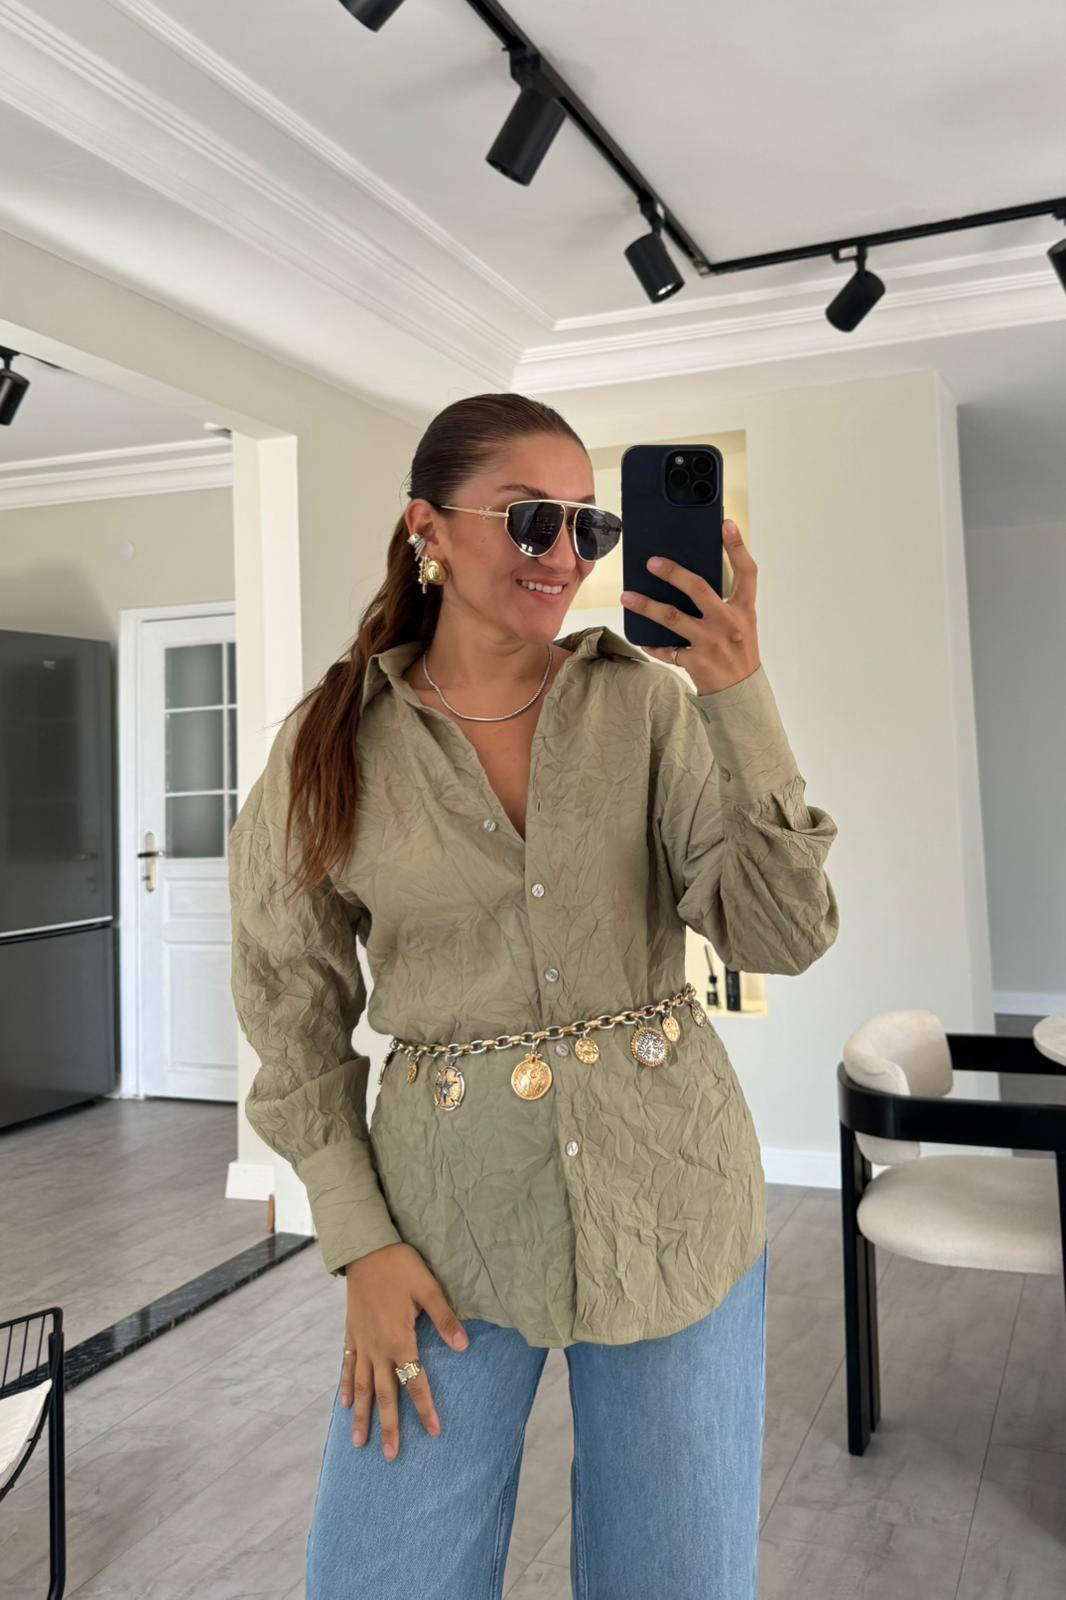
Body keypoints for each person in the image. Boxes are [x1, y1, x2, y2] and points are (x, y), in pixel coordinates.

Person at [227, 392, 840, 1599]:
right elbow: (289, 1015)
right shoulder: (326, 746)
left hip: (673, 1201)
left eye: (588, 527)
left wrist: (738, 695)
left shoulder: (648, 707)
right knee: (379, 1576)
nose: (565, 553)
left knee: (676, 1579)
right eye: (529, 519)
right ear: (428, 530)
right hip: (439, 1226)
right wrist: (358, 1242)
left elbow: (781, 933)